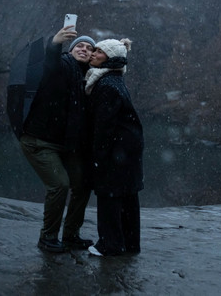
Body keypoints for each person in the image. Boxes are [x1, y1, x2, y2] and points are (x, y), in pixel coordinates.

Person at [19, 25, 96, 253]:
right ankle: (48, 237)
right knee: (60, 184)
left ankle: (71, 235)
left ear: (93, 55)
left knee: (83, 184)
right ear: (71, 50)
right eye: (79, 46)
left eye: (89, 48)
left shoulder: (88, 77)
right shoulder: (63, 65)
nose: (83, 49)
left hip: (64, 144)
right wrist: (55, 43)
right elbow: (51, 62)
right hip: (39, 140)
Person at [84, 38, 144, 257]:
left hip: (116, 152)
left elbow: (104, 127)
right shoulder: (115, 80)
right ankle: (130, 244)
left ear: (109, 58)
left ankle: (110, 245)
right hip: (128, 150)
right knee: (128, 197)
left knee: (109, 196)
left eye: (98, 51)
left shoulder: (106, 86)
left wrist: (98, 157)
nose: (92, 54)